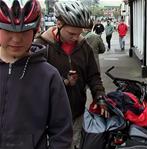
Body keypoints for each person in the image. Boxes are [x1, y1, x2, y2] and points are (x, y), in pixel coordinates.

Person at [33, 1, 107, 149]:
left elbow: (93, 75)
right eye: (72, 33)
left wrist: (99, 96)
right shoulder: (41, 46)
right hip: (48, 117)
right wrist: (65, 81)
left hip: (76, 114)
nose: (76, 38)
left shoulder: (84, 46)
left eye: (79, 33)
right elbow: (35, 81)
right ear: (59, 24)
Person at [0, 0, 73, 148]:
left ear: (35, 31)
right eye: (8, 31)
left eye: (24, 32)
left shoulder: (49, 76)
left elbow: (62, 133)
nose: (16, 39)